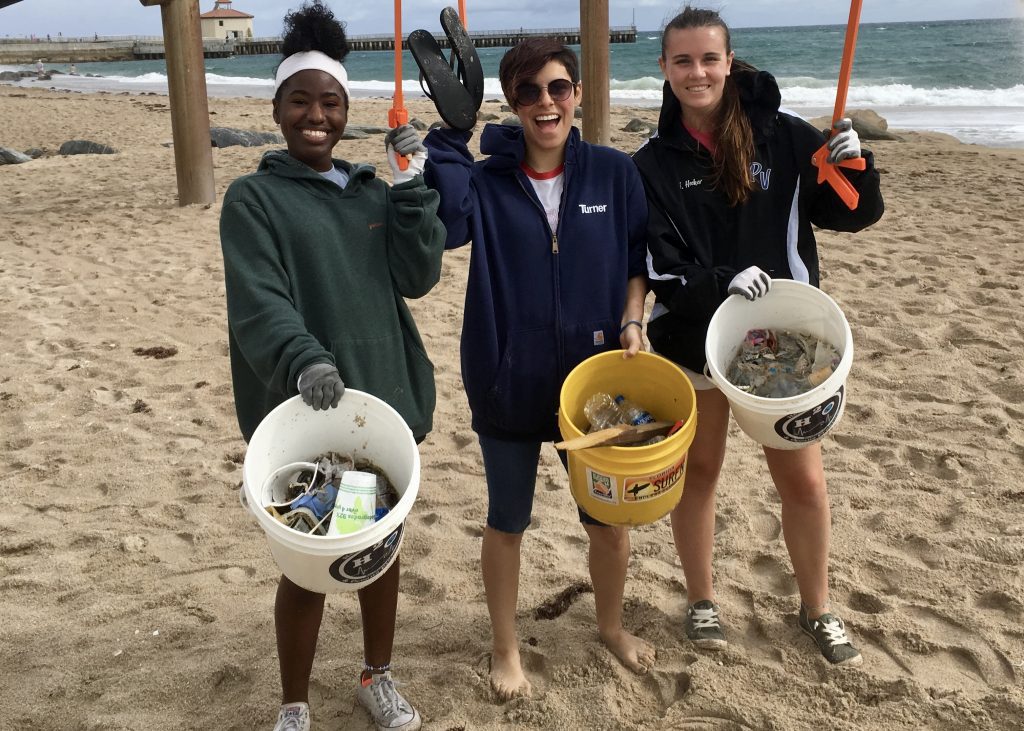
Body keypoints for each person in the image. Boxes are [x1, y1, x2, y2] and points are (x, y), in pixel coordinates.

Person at [389, 37, 651, 700]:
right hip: (507, 375)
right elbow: (448, 227)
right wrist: (450, 138)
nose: (545, 103)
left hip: (592, 382)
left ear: (577, 96)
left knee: (608, 520)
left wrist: (632, 321)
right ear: (512, 102)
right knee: (507, 519)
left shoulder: (613, 174)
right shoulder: (486, 179)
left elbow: (636, 261)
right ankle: (505, 647)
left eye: (558, 88)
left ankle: (612, 625)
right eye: (529, 92)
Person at [632, 7, 884, 667]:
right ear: (663, 69)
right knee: (701, 471)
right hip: (695, 341)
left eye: (708, 58)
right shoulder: (651, 164)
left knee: (802, 481)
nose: (697, 72)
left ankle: (818, 608)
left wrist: (855, 167)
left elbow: (850, 213)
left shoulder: (785, 137)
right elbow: (659, 266)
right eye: (682, 61)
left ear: (729, 60)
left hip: (781, 339)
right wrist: (719, 281)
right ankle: (702, 599)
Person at [218, 2, 444, 729]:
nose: (317, 115)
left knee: (375, 546)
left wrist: (411, 185)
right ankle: (294, 703)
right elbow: (260, 301)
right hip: (306, 413)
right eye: (302, 101)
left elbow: (418, 274)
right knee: (308, 561)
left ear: (348, 111)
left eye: (332, 103)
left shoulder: (371, 192)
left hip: (377, 409)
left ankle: (377, 674)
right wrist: (304, 357)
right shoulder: (254, 199)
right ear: (278, 108)